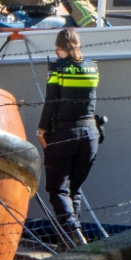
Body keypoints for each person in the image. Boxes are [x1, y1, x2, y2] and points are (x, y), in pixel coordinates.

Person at [37, 28, 100, 245]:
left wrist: (41, 130)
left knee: (57, 190)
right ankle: (70, 242)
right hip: (90, 135)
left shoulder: (57, 69)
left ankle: (74, 234)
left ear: (57, 50)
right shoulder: (93, 67)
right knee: (74, 189)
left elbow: (51, 102)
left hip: (63, 134)